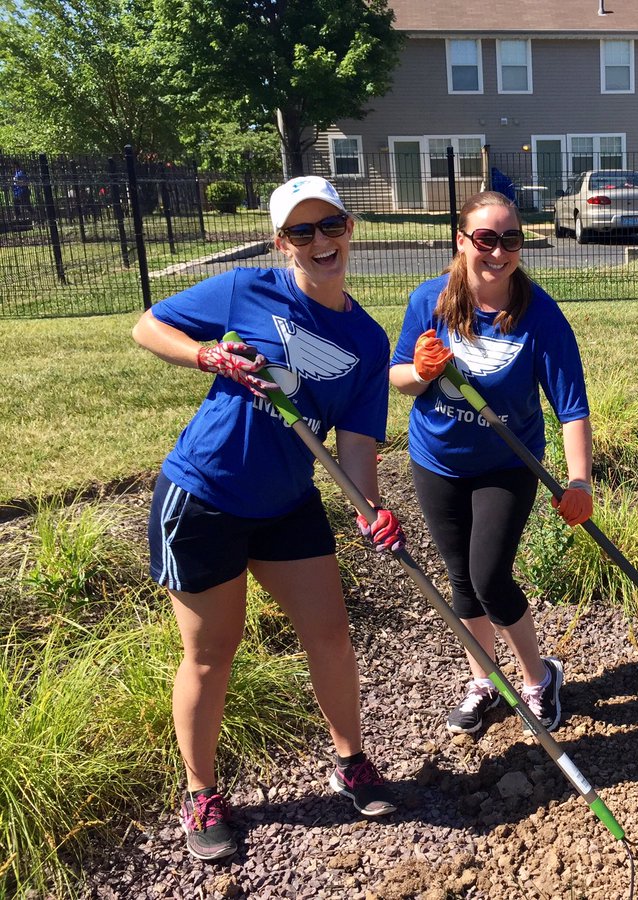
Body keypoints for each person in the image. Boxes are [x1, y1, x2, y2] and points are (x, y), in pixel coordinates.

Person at [131, 175, 402, 862]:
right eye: (302, 231)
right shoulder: (245, 290)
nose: (320, 242)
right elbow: (146, 325)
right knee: (213, 652)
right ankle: (201, 794)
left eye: (330, 226)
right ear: (284, 242)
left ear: (349, 230)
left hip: (287, 503)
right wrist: (205, 354)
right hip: (204, 498)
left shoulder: (368, 342)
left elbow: (358, 442)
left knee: (332, 636)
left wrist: (372, 511)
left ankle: (351, 761)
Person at [389, 190, 594, 736]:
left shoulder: (539, 314)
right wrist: (422, 371)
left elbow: (570, 405)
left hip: (508, 462)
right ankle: (485, 682)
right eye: (486, 239)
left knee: (490, 577)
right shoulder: (429, 301)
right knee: (461, 582)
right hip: (437, 460)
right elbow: (398, 376)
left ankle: (538, 677)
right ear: (462, 242)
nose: (498, 251)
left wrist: (579, 481)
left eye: (510, 239)